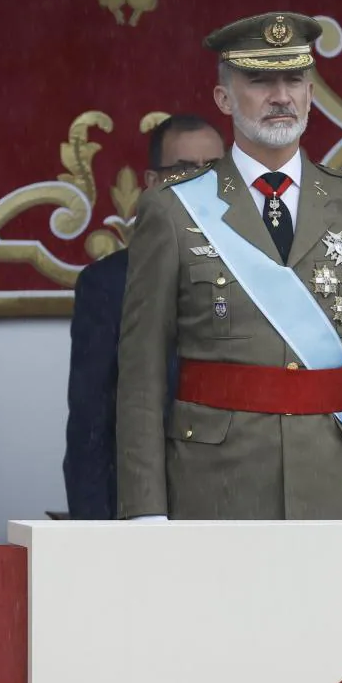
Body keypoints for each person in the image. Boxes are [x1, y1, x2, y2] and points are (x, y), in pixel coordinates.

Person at [115, 11, 342, 520]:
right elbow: (141, 373)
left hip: (335, 481)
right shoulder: (173, 209)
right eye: (260, 80)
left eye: (294, 79)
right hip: (216, 483)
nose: (281, 95)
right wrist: (145, 511)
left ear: (311, 92)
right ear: (224, 98)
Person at [63, 115, 225, 520]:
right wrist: (94, 532)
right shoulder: (109, 285)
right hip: (150, 506)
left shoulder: (264, 271)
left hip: (240, 498)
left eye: (215, 169)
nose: (202, 181)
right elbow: (91, 425)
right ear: (153, 182)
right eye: (186, 170)